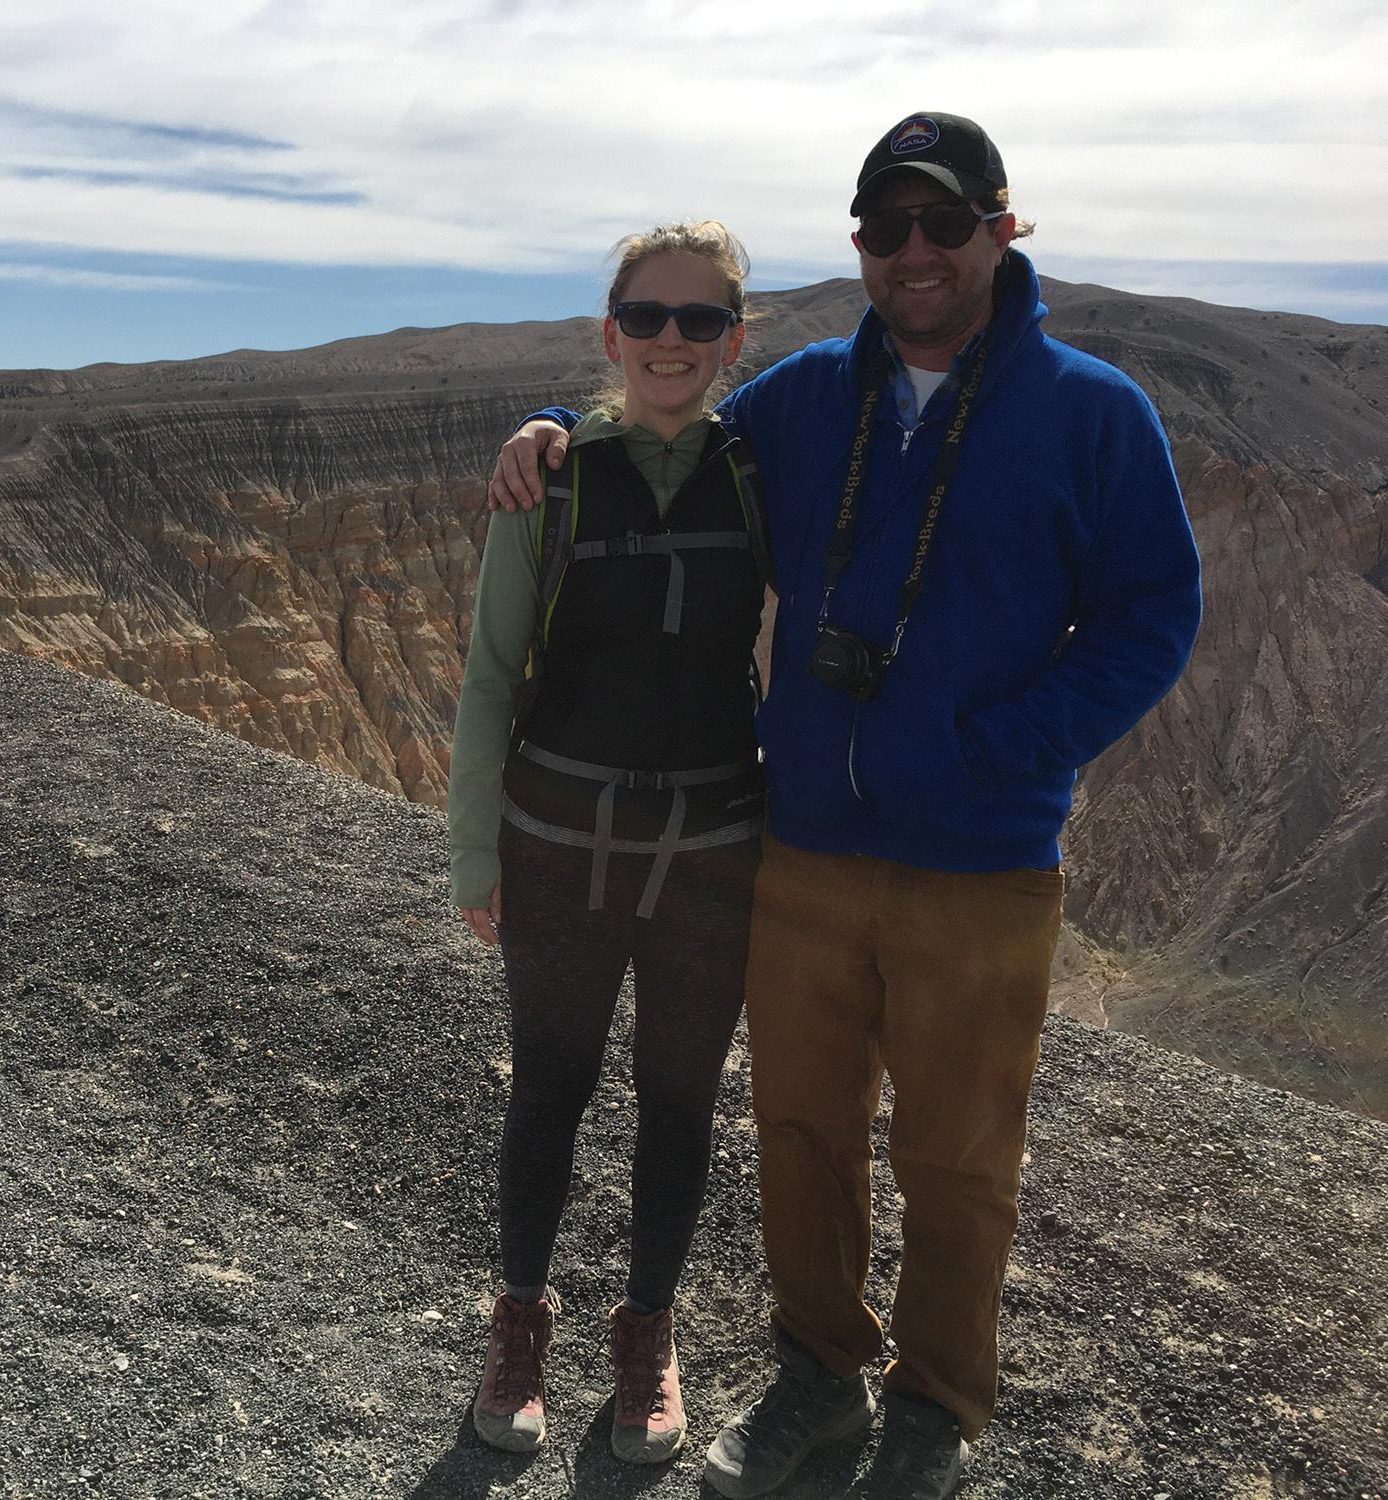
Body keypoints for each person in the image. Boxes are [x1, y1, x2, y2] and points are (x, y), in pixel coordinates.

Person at [487, 114, 1201, 1500]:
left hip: (982, 857)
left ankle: (934, 1406)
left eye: (946, 223)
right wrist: (555, 429)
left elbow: (1152, 616)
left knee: (958, 1154)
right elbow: (664, 427)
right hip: (805, 842)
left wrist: (1000, 750)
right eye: (888, 226)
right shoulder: (805, 399)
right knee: (801, 1131)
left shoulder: (1093, 412)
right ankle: (819, 1371)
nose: (917, 253)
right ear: (862, 243)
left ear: (1005, 227)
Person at [450, 220, 770, 1465]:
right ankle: (519, 1319)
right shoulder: (555, 475)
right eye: (647, 319)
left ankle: (647, 1336)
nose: (671, 343)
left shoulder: (759, 471)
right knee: (551, 1089)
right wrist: (474, 855)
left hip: (710, 849)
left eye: (698, 322)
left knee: (678, 1102)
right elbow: (488, 675)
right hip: (556, 841)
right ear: (610, 335)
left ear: (733, 339)